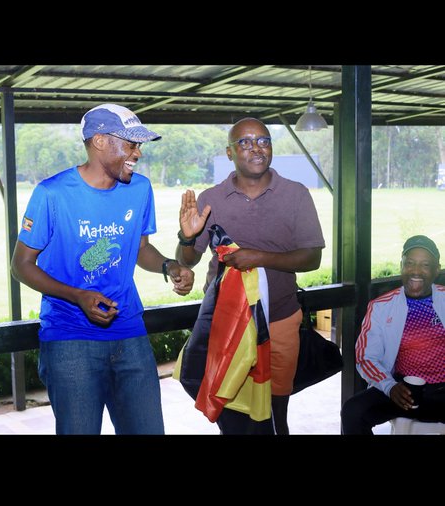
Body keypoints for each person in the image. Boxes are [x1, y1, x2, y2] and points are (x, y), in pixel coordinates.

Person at [11, 103, 195, 435]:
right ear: (99, 141)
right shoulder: (51, 194)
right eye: (130, 143)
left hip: (129, 331)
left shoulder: (139, 189)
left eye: (139, 145)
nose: (137, 153)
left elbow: (140, 248)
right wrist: (78, 296)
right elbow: (22, 265)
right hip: (69, 337)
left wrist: (169, 266)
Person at [175, 116, 326, 435]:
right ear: (229, 153)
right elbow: (187, 259)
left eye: (263, 140)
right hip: (227, 324)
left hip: (280, 321)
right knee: (229, 411)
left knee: (275, 413)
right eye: (244, 142)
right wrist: (187, 236)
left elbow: (312, 257)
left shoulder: (295, 194)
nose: (256, 148)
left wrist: (259, 257)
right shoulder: (211, 199)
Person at [341, 236, 445, 434]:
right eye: (410, 263)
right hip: (404, 391)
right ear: (401, 266)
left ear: (436, 270)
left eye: (425, 265)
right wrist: (390, 386)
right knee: (353, 411)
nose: (416, 271)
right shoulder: (381, 307)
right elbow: (366, 357)